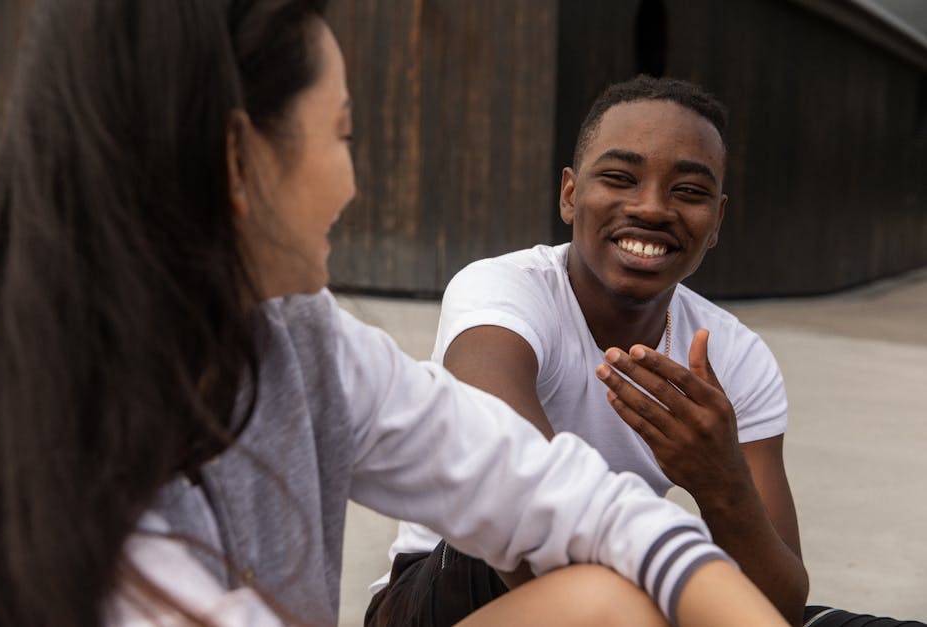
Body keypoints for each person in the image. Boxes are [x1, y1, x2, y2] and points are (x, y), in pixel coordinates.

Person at [0, 2, 791, 627]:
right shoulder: (47, 448)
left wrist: (716, 512)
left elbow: (540, 486)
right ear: (237, 160)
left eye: (688, 191)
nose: (354, 185)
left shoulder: (306, 342)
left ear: (720, 215)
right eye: (342, 134)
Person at [367, 76, 927, 627]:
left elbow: (778, 609)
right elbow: (517, 499)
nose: (654, 208)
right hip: (446, 594)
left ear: (717, 222)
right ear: (570, 194)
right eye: (620, 177)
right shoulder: (501, 292)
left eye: (689, 191)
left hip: (632, 584)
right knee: (513, 516)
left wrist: (721, 481)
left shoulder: (734, 355)